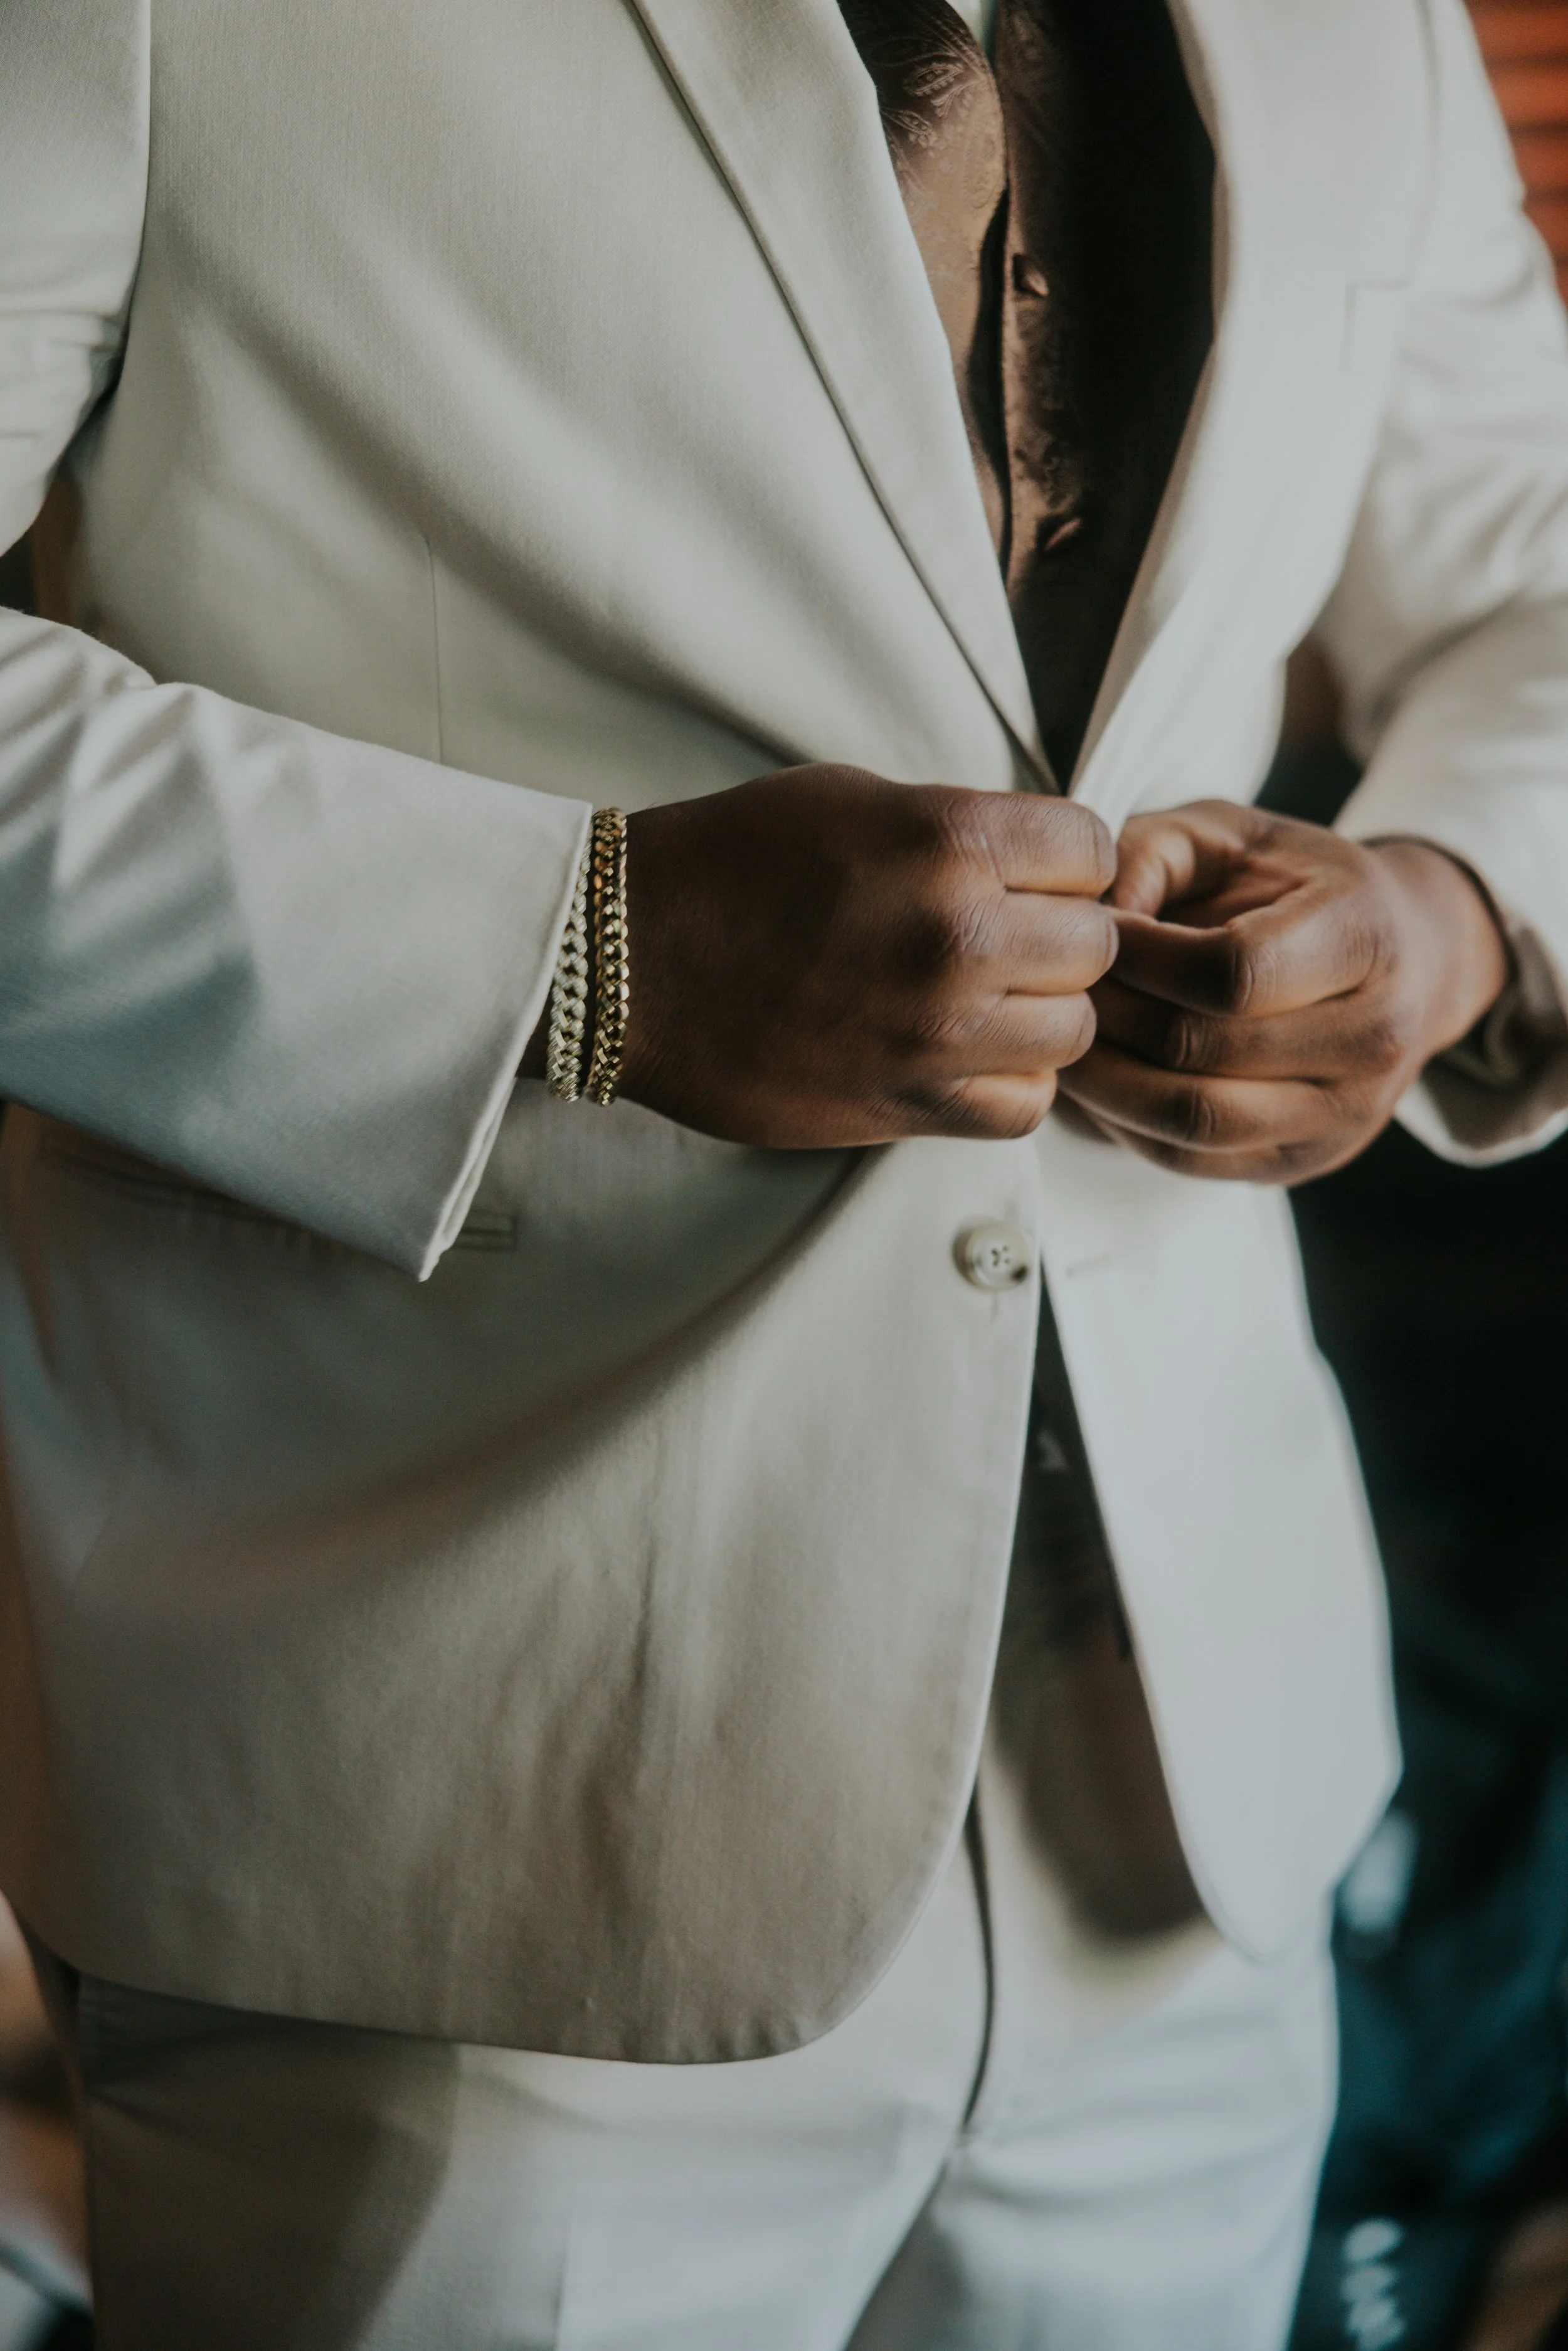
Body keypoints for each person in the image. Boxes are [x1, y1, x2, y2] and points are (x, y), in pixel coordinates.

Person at [1, 0, 1566, 2341]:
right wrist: (574, 947)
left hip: (1182, 1830)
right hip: (446, 1821)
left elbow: (1534, 558)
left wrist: (1449, 916)